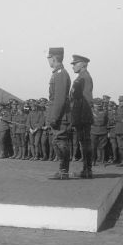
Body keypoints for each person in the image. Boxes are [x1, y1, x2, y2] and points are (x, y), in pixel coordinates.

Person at [47, 47, 71, 179]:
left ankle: (64, 172)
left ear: (54, 58)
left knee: (60, 142)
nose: (48, 61)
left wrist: (54, 117)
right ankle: (63, 170)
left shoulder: (60, 74)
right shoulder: (58, 73)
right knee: (57, 142)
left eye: (49, 58)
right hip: (59, 115)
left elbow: (60, 99)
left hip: (61, 116)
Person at [69, 54, 94, 177]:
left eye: (75, 63)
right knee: (83, 143)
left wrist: (81, 118)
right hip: (80, 115)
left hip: (83, 116)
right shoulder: (81, 77)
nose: (73, 66)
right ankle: (86, 169)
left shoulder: (85, 78)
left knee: (85, 143)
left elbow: (87, 100)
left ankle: (87, 170)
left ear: (83, 64)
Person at [90, 98, 108, 165]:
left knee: (102, 147)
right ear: (94, 105)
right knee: (93, 147)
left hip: (102, 131)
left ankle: (102, 161)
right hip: (93, 131)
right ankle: (93, 160)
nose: (98, 106)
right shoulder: (91, 111)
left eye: (99, 105)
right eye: (97, 105)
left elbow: (106, 121)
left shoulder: (104, 112)